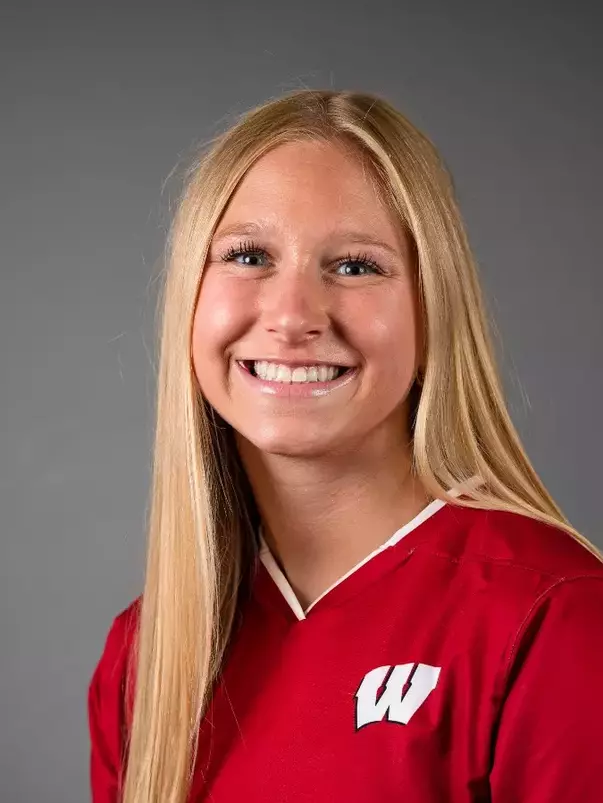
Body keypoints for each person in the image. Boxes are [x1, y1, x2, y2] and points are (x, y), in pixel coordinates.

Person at [88, 89, 603, 803]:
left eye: (356, 266)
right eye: (247, 255)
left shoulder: (556, 619)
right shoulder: (145, 655)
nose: (293, 315)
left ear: (431, 310)